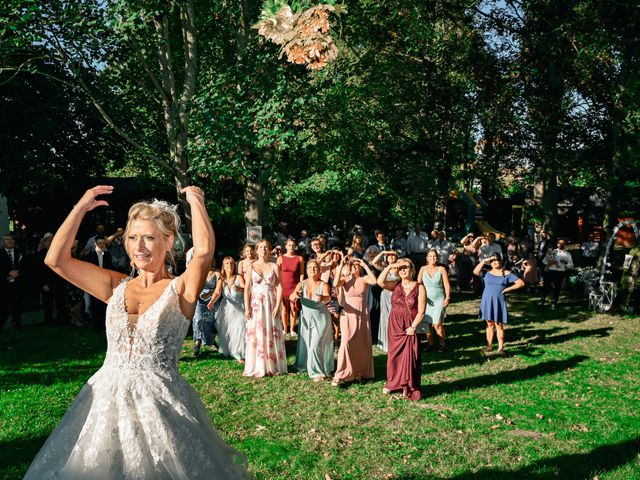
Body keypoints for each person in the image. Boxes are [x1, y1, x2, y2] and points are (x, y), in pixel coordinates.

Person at [24, 185, 249, 479]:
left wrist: (195, 198)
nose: (138, 246)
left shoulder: (181, 289)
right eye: (132, 237)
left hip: (159, 405)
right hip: (105, 402)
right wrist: (81, 206)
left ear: (168, 242)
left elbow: (204, 250)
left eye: (148, 238)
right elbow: (56, 260)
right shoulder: (115, 286)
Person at [377, 258, 426, 400]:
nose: (403, 270)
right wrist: (391, 266)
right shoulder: (395, 285)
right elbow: (380, 282)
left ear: (412, 270)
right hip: (395, 325)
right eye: (401, 268)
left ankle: (408, 386)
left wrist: (413, 327)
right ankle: (393, 384)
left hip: (410, 325)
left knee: (410, 356)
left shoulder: (419, 287)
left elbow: (421, 311)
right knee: (394, 356)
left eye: (406, 267)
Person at [243, 239, 288, 378]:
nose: (264, 250)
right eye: (261, 247)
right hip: (256, 303)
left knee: (270, 330)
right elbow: (247, 289)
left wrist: (277, 305)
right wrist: (247, 308)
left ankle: (272, 365)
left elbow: (280, 287)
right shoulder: (251, 266)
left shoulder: (274, 266)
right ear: (257, 250)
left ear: (269, 250)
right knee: (257, 332)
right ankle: (258, 365)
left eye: (266, 247)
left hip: (270, 301)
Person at [331, 257, 377, 386]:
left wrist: (364, 264)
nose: (355, 268)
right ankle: (340, 374)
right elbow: (335, 284)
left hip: (363, 312)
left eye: (357, 266)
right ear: (349, 268)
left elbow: (374, 281)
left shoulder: (364, 279)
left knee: (362, 342)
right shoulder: (345, 279)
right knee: (346, 342)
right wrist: (340, 265)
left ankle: (359, 371)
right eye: (353, 266)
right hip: (348, 313)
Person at [291, 260, 334, 381]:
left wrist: (322, 298)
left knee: (315, 345)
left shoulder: (324, 284)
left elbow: (327, 298)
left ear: (319, 270)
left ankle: (318, 372)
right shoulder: (301, 284)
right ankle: (306, 364)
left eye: (315, 267)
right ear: (306, 270)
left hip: (321, 319)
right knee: (306, 344)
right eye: (309, 267)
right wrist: (295, 295)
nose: (312, 269)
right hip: (306, 318)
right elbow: (291, 296)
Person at [473, 255, 525, 355]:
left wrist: (509, 288)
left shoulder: (506, 273)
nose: (494, 262)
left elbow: (521, 283)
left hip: (499, 302)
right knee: (489, 324)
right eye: (492, 261)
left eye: (496, 260)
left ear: (500, 261)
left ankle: (501, 348)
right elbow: (475, 271)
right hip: (487, 301)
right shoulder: (486, 273)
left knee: (499, 324)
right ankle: (489, 346)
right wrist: (485, 260)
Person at [212, 256, 246, 363]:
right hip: (226, 309)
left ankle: (239, 354)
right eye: (227, 264)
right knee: (229, 330)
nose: (229, 266)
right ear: (224, 266)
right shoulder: (222, 280)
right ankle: (232, 351)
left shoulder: (238, 277)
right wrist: (212, 301)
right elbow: (217, 292)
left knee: (239, 329)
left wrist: (239, 289)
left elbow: (246, 290)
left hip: (240, 308)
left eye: (231, 263)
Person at [417, 249, 451, 353]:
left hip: (439, 300)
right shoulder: (422, 269)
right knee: (427, 324)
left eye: (434, 256)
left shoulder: (441, 269)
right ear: (427, 258)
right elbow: (418, 283)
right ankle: (430, 344)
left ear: (437, 258)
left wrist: (447, 297)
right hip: (426, 300)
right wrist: (420, 297)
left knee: (437, 324)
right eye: (430, 256)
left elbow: (446, 284)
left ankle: (442, 344)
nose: (432, 258)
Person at [81, 234, 113, 331]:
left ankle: (104, 325)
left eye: (103, 243)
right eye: (100, 243)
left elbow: (110, 269)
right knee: (94, 305)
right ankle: (96, 326)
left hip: (105, 283)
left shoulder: (108, 255)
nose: (102, 245)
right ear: (95, 244)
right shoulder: (90, 256)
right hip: (94, 284)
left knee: (104, 304)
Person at [371, 249, 399, 352]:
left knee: (395, 317)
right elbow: (373, 262)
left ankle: (396, 340)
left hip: (396, 295)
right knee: (385, 317)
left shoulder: (400, 267)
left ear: (397, 257)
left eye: (393, 255)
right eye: (389, 256)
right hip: (385, 295)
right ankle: (386, 342)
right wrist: (383, 253)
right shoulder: (384, 268)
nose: (391, 257)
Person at [37, 232, 68, 326]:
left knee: (61, 302)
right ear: (45, 242)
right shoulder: (40, 254)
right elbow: (38, 271)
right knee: (48, 304)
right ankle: (48, 321)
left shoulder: (59, 253)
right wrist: (43, 284)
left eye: (52, 240)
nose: (50, 242)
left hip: (59, 282)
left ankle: (61, 320)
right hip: (47, 283)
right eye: (49, 240)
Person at [191, 256, 220, 357]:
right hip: (199, 300)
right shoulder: (200, 272)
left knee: (208, 322)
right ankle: (197, 343)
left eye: (212, 261)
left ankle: (211, 341)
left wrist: (211, 296)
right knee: (198, 320)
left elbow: (219, 289)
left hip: (212, 300)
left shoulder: (217, 273)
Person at [276, 238, 304, 338]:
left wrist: (300, 285)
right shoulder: (280, 258)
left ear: (295, 246)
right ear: (286, 246)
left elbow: (301, 273)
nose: (291, 247)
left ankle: (292, 329)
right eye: (289, 245)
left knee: (293, 308)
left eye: (293, 245)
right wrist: (278, 286)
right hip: (283, 286)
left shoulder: (299, 258)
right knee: (284, 307)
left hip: (294, 286)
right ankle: (285, 328)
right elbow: (277, 273)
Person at [0, 234, 26, 331]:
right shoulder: (0, 254)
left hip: (17, 285)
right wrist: (8, 273)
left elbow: (26, 267)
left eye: (11, 239)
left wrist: (18, 273)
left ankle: (17, 324)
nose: (9, 241)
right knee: (3, 307)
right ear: (3, 242)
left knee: (17, 306)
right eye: (7, 239)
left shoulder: (20, 253)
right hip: (4, 286)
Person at [540, 238, 574, 309]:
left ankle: (553, 303)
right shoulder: (552, 251)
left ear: (564, 244)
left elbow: (571, 265)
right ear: (557, 244)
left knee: (557, 288)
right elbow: (544, 261)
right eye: (559, 243)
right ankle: (542, 301)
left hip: (560, 272)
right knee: (546, 286)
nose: (560, 244)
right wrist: (550, 263)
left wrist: (566, 263)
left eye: (562, 243)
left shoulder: (567, 254)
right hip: (551, 271)